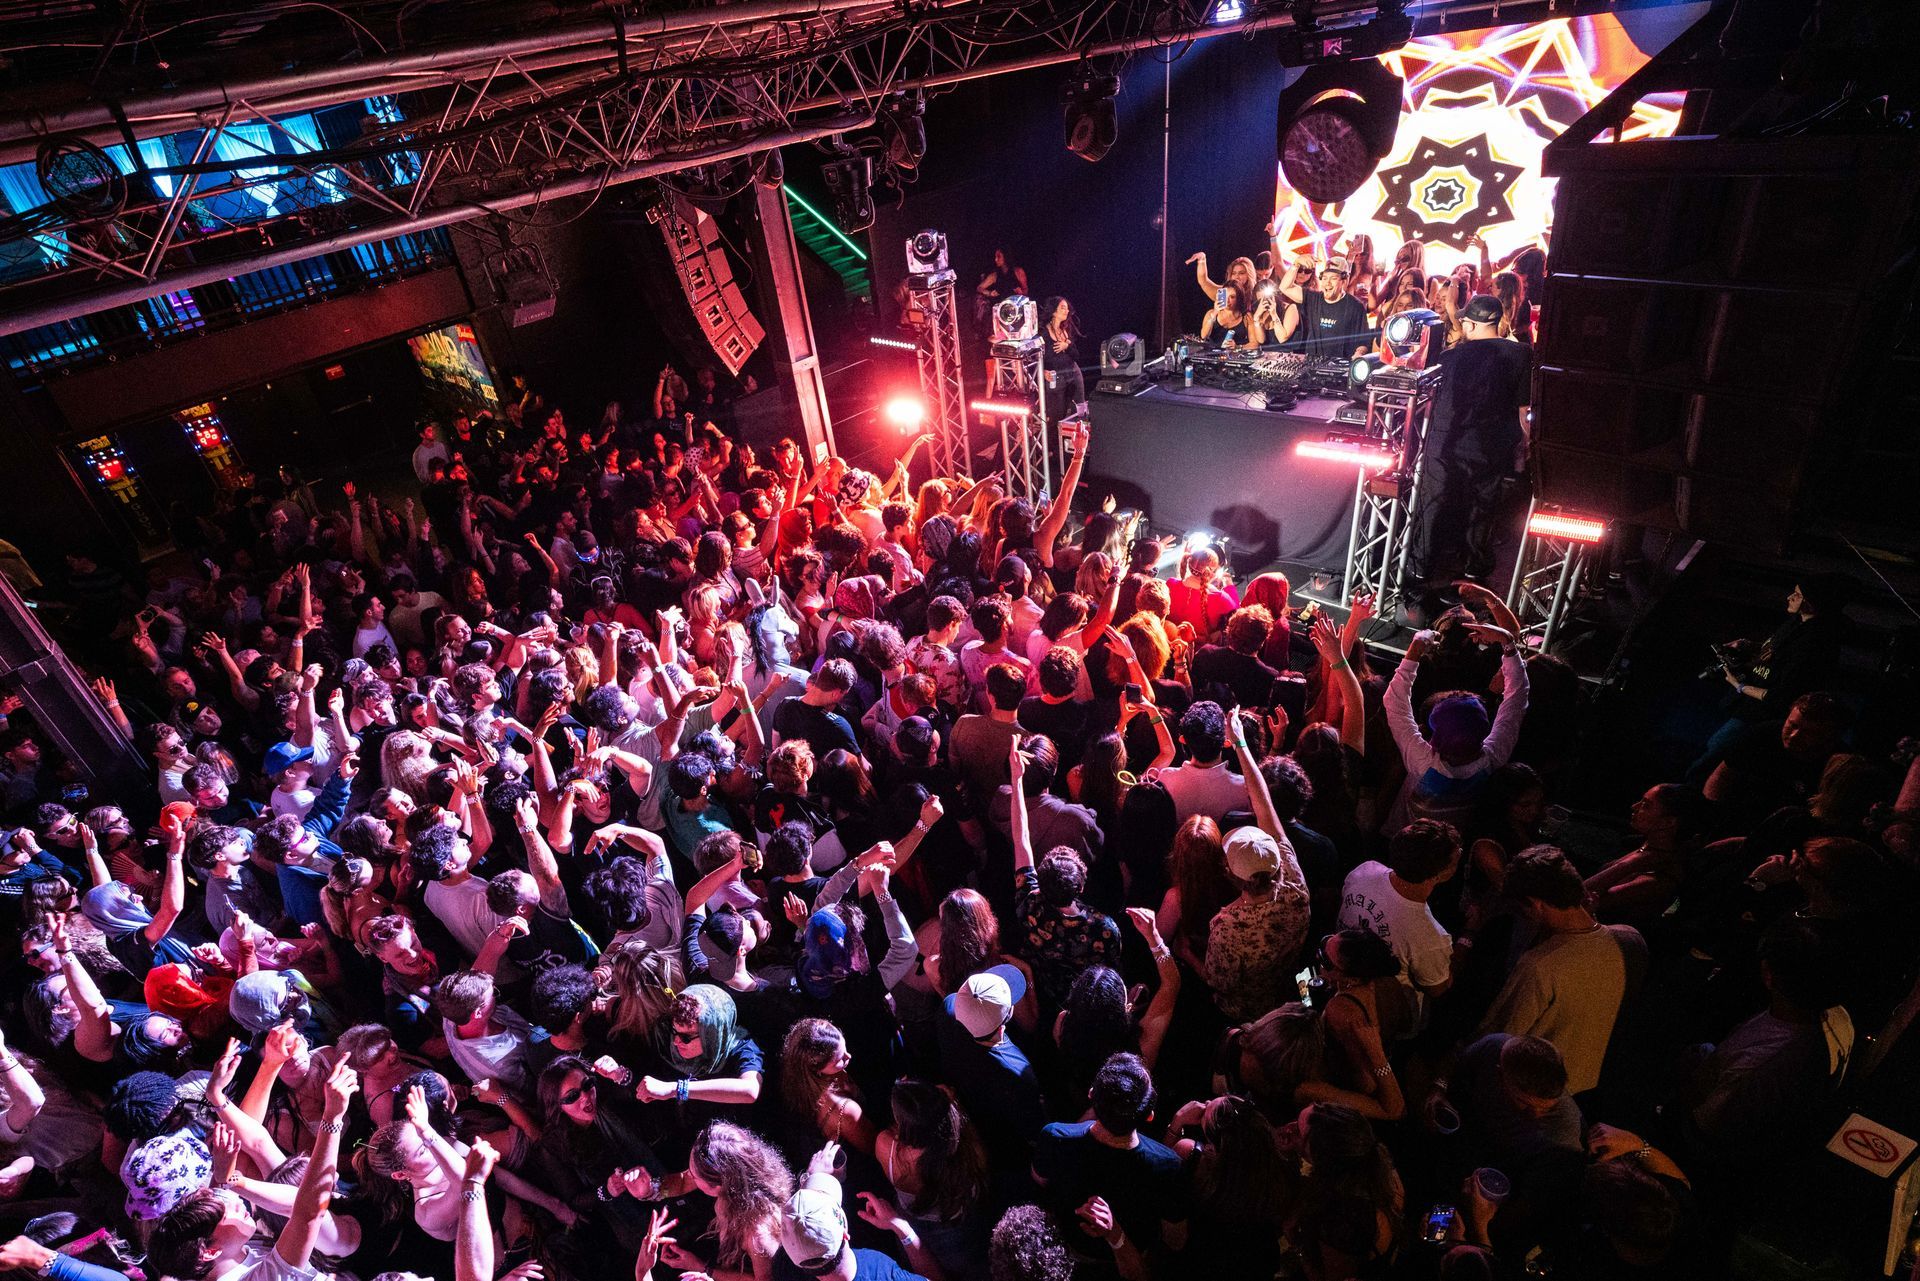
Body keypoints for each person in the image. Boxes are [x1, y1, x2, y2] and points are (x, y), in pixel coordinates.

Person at [1479, 847, 1646, 1096]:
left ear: (1536, 904)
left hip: (1537, 1093)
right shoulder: (1631, 939)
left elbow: (1498, 1036)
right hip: (1590, 1087)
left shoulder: (1540, 965)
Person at [1404, 293, 1532, 589]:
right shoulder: (1521, 354)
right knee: (1482, 507)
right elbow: (1524, 410)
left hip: (1446, 442)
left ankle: (1422, 568)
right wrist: (1525, 444)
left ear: (1471, 325)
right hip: (1491, 446)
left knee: (1434, 505)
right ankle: (1474, 571)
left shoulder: (1449, 357)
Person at [1276, 255, 1372, 360]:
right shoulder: (1313, 298)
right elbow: (1285, 287)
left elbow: (1363, 341)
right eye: (1325, 278)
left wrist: (1359, 353)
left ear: (1343, 281)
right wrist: (1296, 264)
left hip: (1341, 366)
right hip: (1312, 363)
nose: (1327, 283)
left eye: (1333, 278)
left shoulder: (1355, 306)